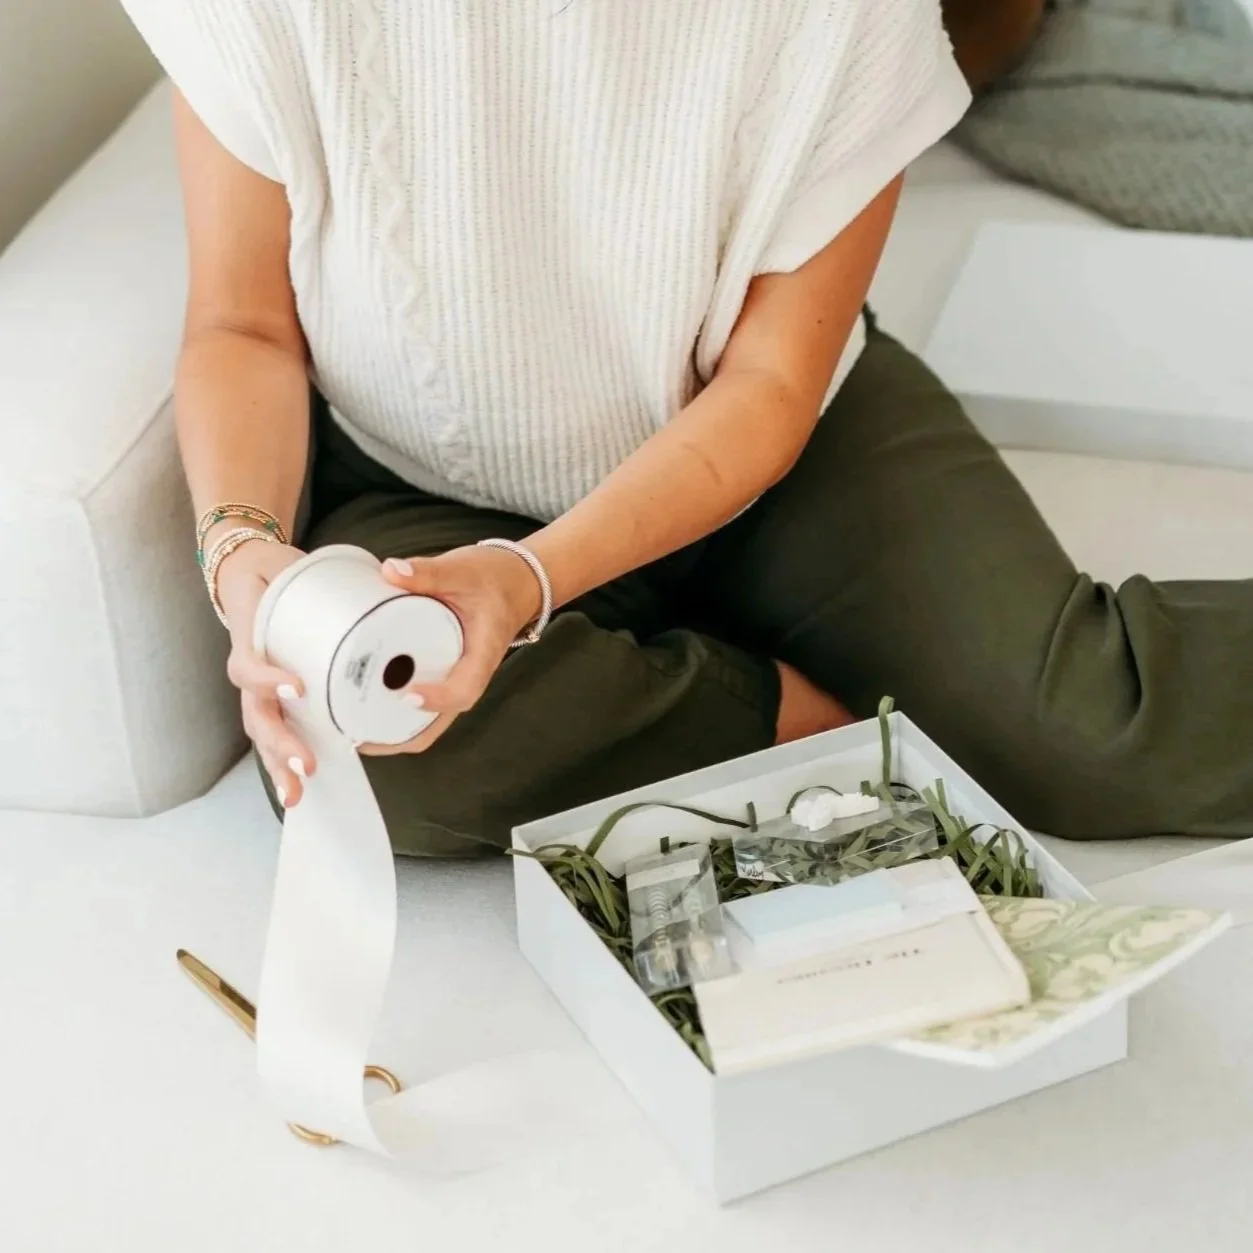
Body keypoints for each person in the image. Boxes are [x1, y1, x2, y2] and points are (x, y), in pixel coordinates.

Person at [122, 0, 1251, 855]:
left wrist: (528, 580)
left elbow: (768, 383)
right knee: (371, 767)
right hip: (427, 475)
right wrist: (242, 556)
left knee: (1084, 734)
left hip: (780, 437)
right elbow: (243, 328)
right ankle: (822, 710)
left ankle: (839, 693)